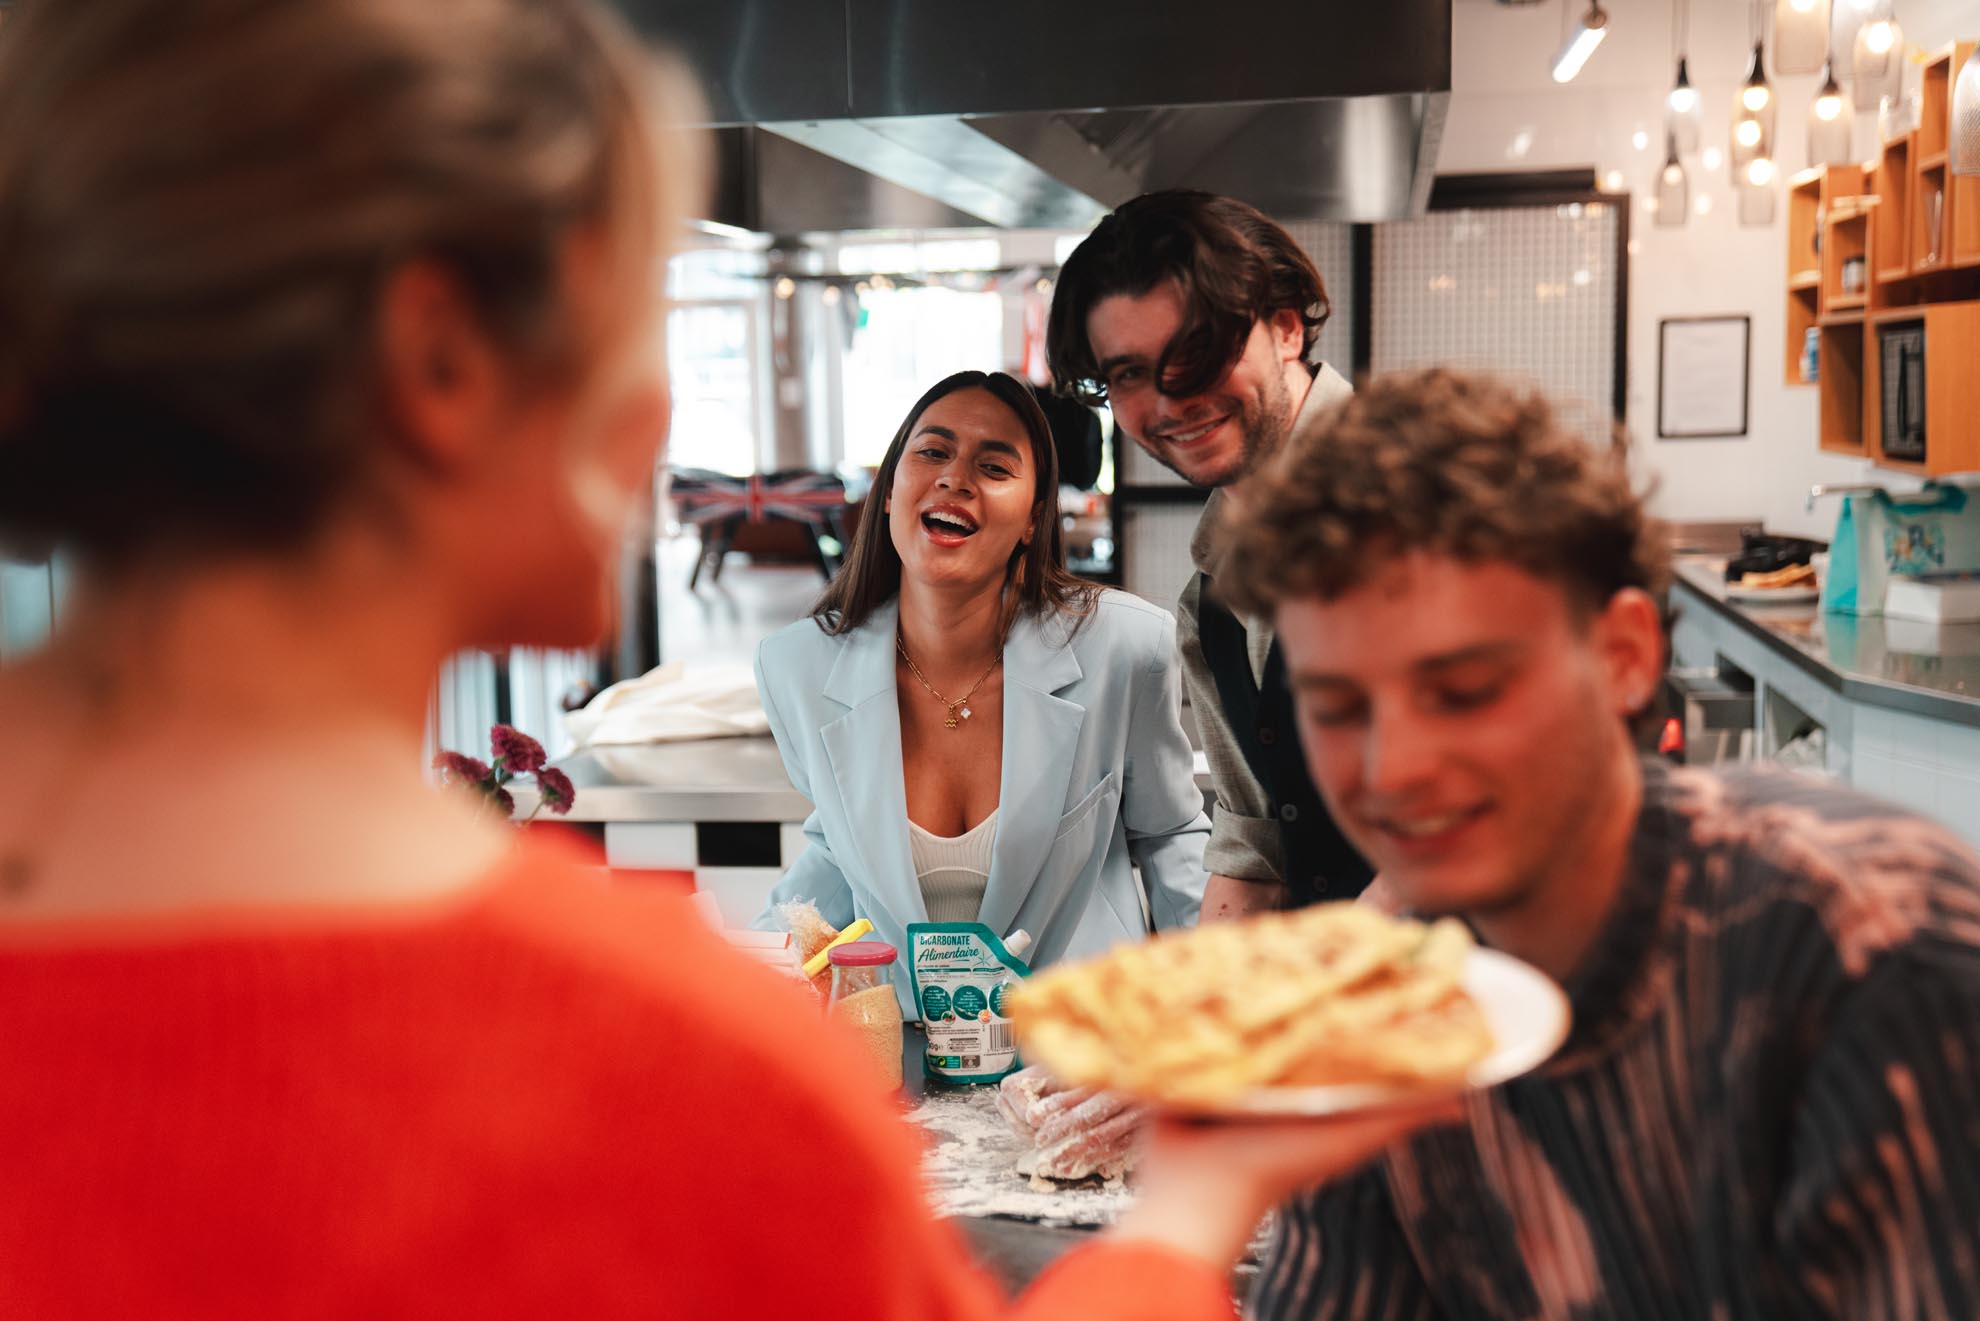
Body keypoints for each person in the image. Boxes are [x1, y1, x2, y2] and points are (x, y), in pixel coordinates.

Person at [0, 3, 1459, 1315]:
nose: (654, 419)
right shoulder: (652, 1063)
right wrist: (1203, 1197)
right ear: (438, 361)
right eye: (625, 316)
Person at [1218, 367, 1980, 1318]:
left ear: (1623, 654)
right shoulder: (1374, 1015)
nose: (1396, 766)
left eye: (1464, 691)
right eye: (1336, 707)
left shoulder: (1863, 933)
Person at [752, 370, 1207, 1009]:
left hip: (1081, 1043)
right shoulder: (796, 666)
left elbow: (1171, 837)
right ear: (888, 491)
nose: (954, 478)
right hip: (904, 1043)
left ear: (1032, 519)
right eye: (932, 452)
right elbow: (841, 842)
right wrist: (747, 969)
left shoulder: (1126, 648)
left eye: (994, 467)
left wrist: (1228, 1015)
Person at [1046, 188, 1372, 921]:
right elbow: (1253, 841)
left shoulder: (1423, 500)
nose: (1170, 399)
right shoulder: (1211, 597)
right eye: (1127, 372)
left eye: (1197, 350)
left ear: (1286, 329)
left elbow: (1499, 801)